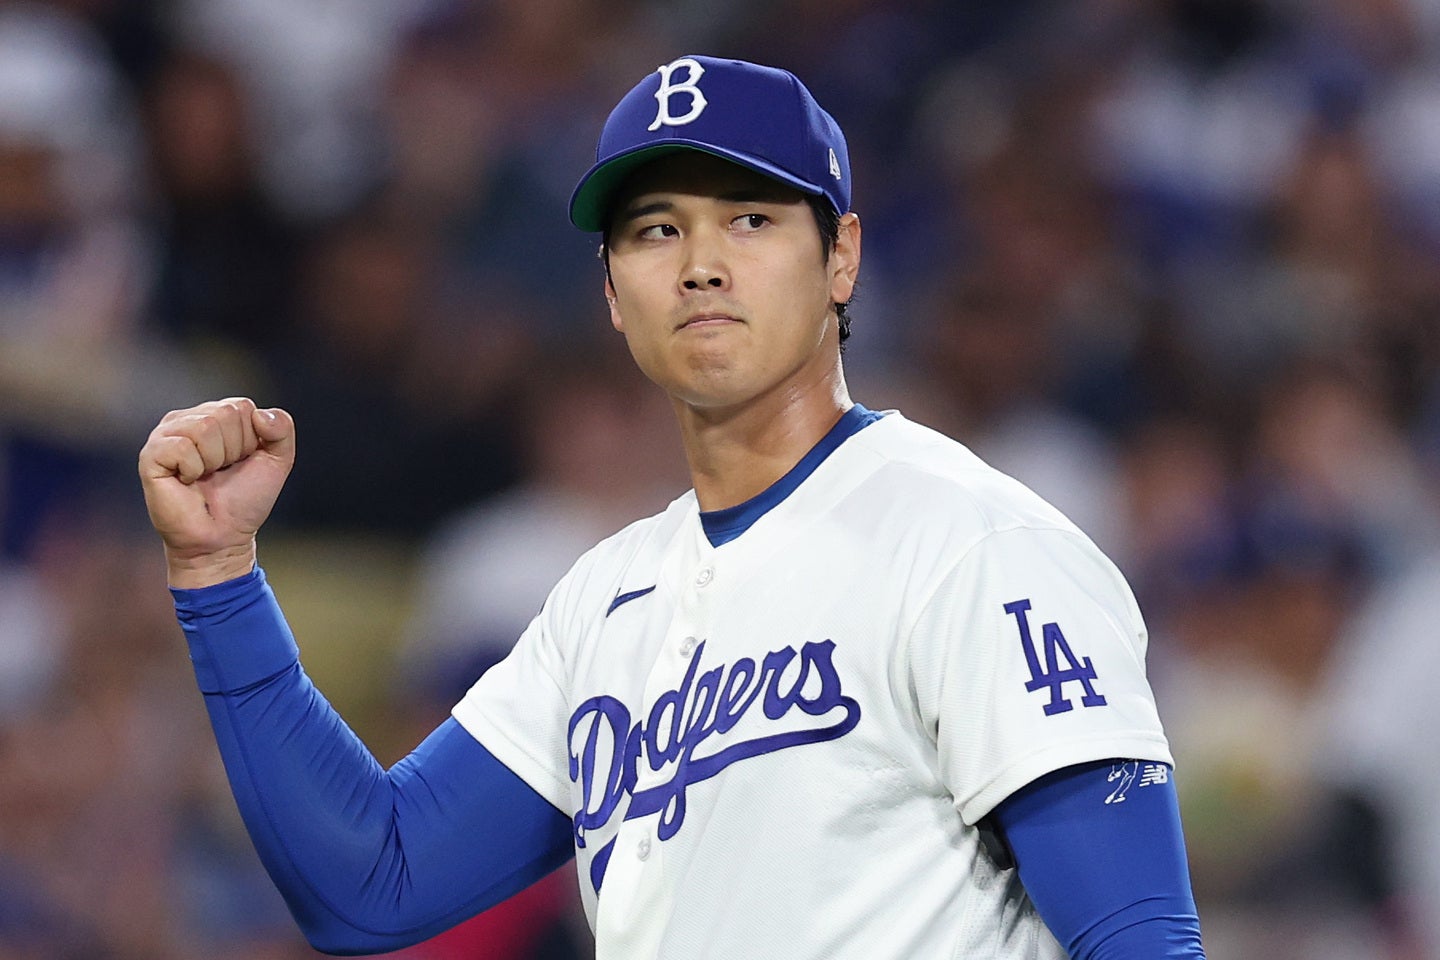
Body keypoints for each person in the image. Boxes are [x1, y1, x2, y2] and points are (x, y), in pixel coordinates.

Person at [138, 55, 1206, 959]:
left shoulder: (975, 544)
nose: (700, 266)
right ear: (611, 291)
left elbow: (1140, 935)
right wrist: (219, 575)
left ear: (841, 257)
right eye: (654, 231)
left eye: (749, 218)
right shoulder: (603, 602)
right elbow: (372, 879)